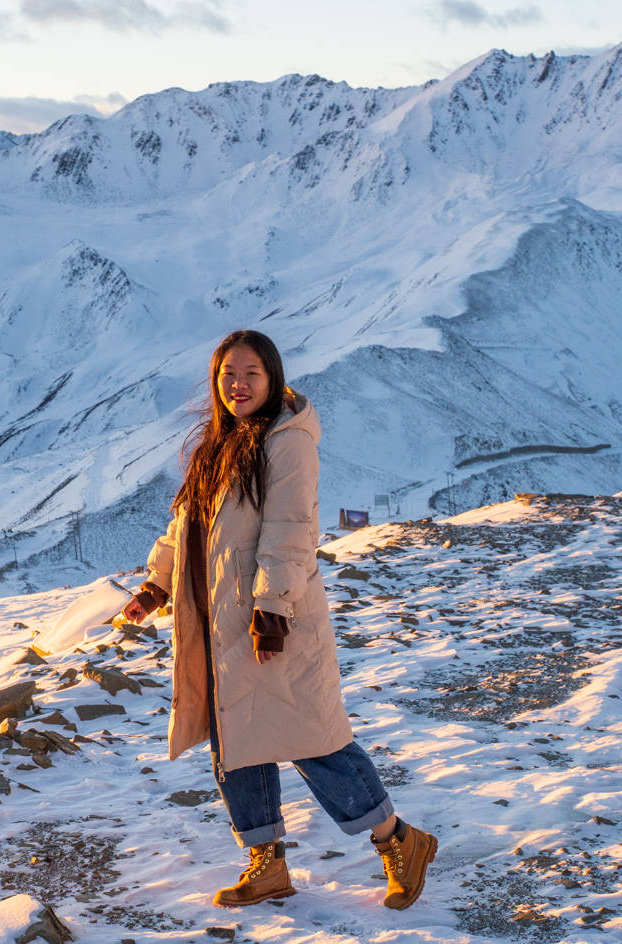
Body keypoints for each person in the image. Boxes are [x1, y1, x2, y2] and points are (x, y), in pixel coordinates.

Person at [122, 329, 437, 910]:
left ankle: (399, 841)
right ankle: (265, 862)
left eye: (251, 374)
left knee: (313, 739)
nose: (239, 385)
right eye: (228, 375)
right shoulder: (217, 444)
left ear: (273, 379)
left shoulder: (286, 442)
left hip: (272, 620)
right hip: (219, 624)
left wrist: (271, 611)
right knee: (235, 740)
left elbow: (290, 533)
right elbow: (184, 527)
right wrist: (155, 585)